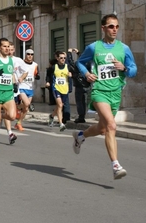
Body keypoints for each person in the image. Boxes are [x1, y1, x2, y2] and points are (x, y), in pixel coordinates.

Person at [73, 14, 137, 180]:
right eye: (110, 26)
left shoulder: (124, 48)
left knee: (103, 128)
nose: (114, 29)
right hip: (99, 91)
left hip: (115, 93)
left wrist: (124, 68)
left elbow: (133, 69)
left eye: (116, 26)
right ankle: (115, 165)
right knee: (111, 125)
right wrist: (87, 74)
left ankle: (80, 136)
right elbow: (79, 62)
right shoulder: (94, 47)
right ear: (103, 28)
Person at [45, 51, 71, 131]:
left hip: (65, 89)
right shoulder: (54, 67)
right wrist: (48, 82)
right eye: (61, 58)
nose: (63, 59)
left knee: (60, 105)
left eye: (64, 58)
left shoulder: (68, 66)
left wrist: (71, 75)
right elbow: (48, 75)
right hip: (56, 88)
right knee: (60, 105)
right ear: (57, 58)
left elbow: (75, 72)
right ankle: (61, 124)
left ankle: (52, 116)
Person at [17, 49, 40, 129]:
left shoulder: (35, 64)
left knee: (25, 108)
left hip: (30, 87)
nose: (30, 56)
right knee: (27, 104)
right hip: (21, 86)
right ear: (25, 55)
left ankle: (19, 122)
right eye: (28, 54)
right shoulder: (21, 63)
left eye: (32, 54)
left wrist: (37, 76)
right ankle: (19, 107)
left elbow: (37, 74)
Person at [67, 48, 92, 123]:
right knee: (84, 101)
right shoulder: (88, 63)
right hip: (87, 85)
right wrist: (78, 53)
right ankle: (84, 115)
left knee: (80, 102)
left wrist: (69, 53)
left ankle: (81, 117)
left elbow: (70, 62)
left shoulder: (77, 65)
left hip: (79, 85)